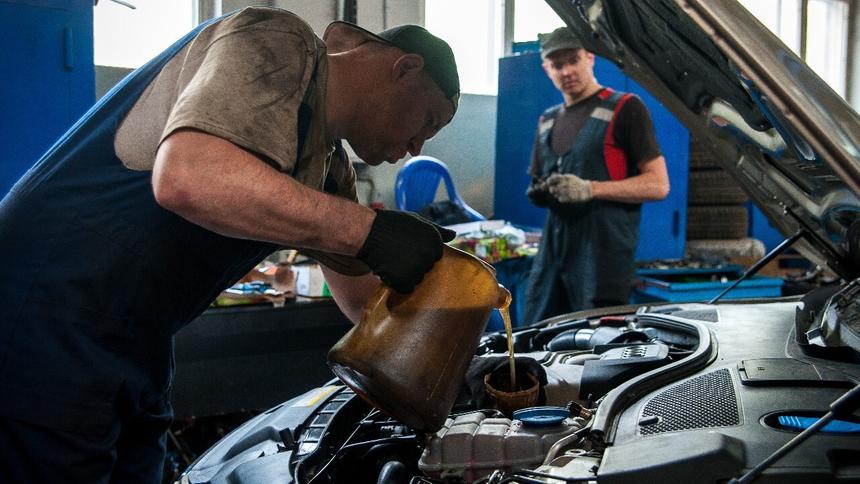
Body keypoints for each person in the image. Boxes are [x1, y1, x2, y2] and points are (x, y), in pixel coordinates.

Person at [0, 7, 459, 483]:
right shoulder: (278, 39)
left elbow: (362, 301)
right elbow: (188, 177)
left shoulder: (327, 167)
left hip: (137, 339)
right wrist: (370, 231)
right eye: (428, 121)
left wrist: (454, 342)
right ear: (405, 69)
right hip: (46, 312)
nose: (417, 148)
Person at [522, 27, 670, 323]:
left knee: (598, 340)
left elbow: (659, 185)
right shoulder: (548, 121)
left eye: (573, 60)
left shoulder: (624, 108)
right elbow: (539, 177)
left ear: (590, 57)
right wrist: (542, 192)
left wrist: (590, 189)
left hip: (602, 260)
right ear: (546, 69)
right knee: (536, 333)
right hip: (553, 255)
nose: (567, 71)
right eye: (557, 65)